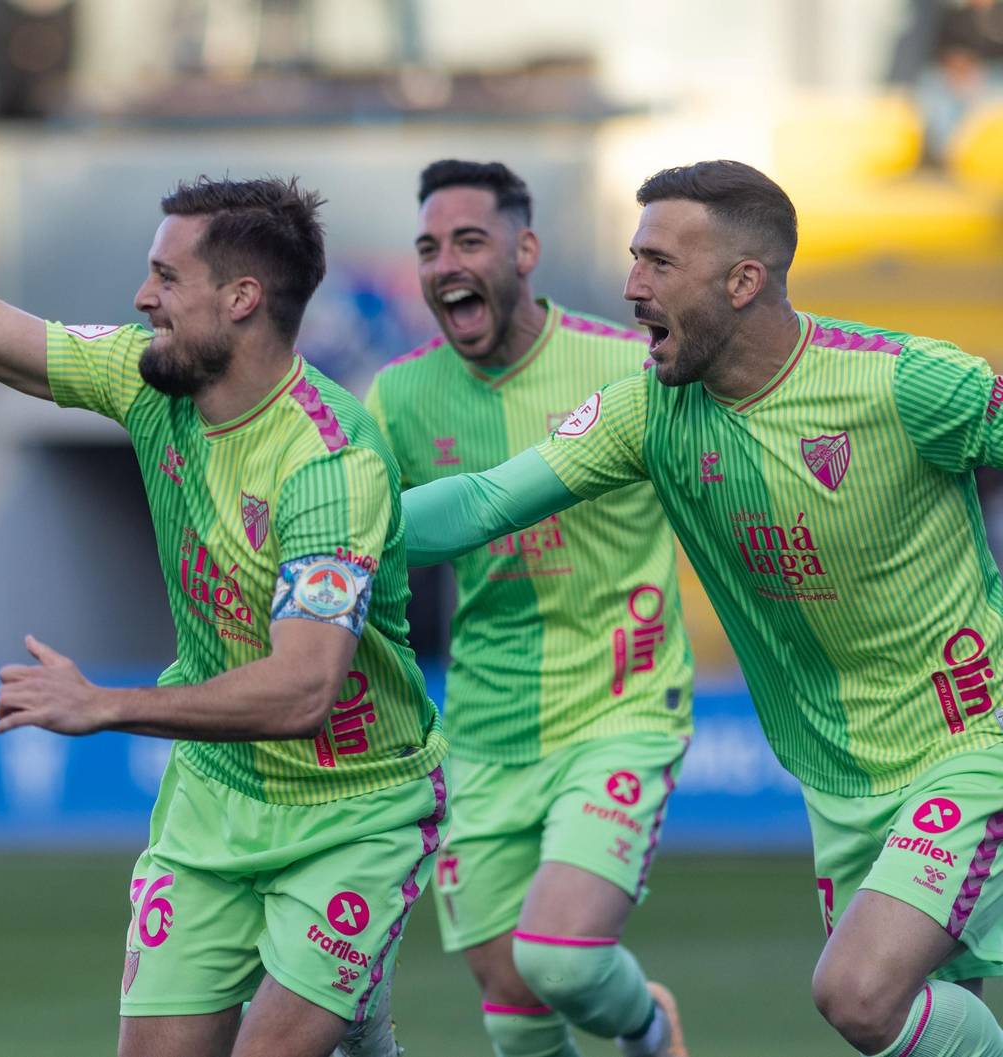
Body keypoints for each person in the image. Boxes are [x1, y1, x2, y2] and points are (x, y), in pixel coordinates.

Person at [0, 37, 447, 1057]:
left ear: (241, 299)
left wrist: (106, 705)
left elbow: (300, 690)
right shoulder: (145, 382)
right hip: (217, 794)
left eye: (165, 276)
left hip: (354, 808)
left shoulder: (329, 465)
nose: (143, 297)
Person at [403, 158, 1003, 1057]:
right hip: (836, 777)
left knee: (858, 995)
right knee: (926, 1014)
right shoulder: (646, 413)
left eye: (657, 264)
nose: (629, 285)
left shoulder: (905, 383)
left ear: (743, 280)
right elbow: (484, 502)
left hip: (968, 743)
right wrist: (327, 541)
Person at [363, 159, 692, 1057]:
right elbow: (354, 534)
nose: (445, 263)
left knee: (562, 958)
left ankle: (649, 1029)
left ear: (526, 249)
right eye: (429, 247)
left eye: (469, 240)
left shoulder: (630, 367)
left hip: (617, 709)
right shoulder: (398, 395)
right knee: (509, 993)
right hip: (480, 730)